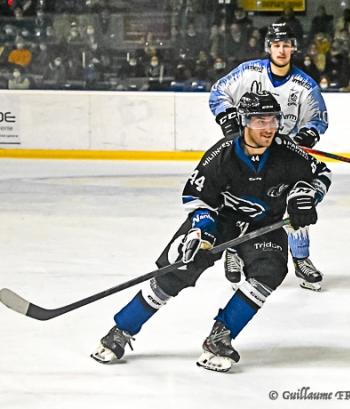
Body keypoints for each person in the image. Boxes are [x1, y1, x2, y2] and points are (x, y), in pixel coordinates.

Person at [90, 92, 332, 372]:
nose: (268, 128)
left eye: (274, 120)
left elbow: (320, 174)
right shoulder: (222, 155)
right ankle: (121, 330)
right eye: (259, 120)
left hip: (265, 224)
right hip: (221, 220)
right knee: (177, 270)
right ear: (244, 122)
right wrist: (201, 236)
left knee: (269, 271)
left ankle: (221, 336)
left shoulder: (287, 152)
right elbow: (196, 198)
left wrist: (305, 196)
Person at [209, 23, 329, 291]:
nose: (282, 50)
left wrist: (306, 136)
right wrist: (228, 119)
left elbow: (317, 118)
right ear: (269, 48)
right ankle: (234, 251)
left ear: (294, 48)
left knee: (298, 199)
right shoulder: (248, 72)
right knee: (240, 201)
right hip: (246, 151)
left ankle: (301, 259)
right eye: (277, 45)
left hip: (281, 157)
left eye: (287, 45)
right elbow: (219, 92)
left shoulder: (305, 85)